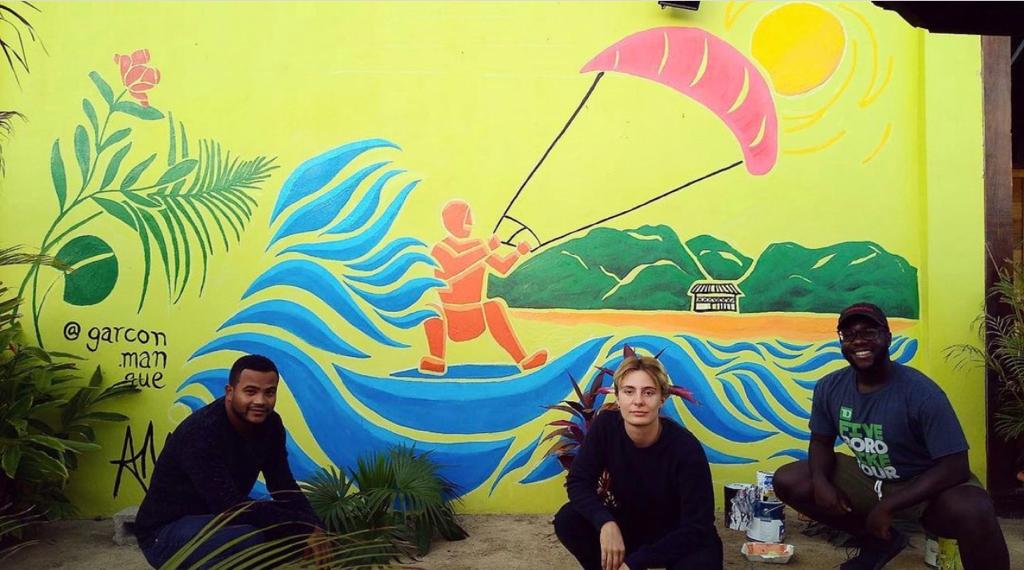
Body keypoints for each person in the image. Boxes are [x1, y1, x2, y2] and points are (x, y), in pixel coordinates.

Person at [773, 303, 1009, 570]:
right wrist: (820, 482)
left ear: (887, 336)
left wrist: (889, 507)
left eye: (869, 332)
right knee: (790, 479)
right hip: (871, 479)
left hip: (924, 486)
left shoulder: (921, 393)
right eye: (849, 334)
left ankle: (886, 521)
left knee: (974, 509)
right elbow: (820, 442)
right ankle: (881, 540)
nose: (859, 340)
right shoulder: (830, 387)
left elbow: (955, 466)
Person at [135, 354, 325, 568]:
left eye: (269, 392)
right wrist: (301, 525)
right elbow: (230, 507)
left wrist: (315, 526)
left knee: (287, 536)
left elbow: (283, 485)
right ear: (230, 392)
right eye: (250, 391)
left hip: (214, 520)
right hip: (163, 534)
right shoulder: (201, 432)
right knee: (247, 537)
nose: (260, 401)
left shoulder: (270, 425)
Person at [553, 354, 723, 570]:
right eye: (629, 391)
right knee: (569, 519)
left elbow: (698, 525)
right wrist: (605, 522)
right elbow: (578, 481)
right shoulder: (605, 427)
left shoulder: (685, 447)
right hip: (630, 525)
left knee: (703, 561)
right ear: (617, 396)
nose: (638, 401)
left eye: (649, 392)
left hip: (677, 534)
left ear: (663, 398)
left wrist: (635, 563)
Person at [419, 199, 547, 374]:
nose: (471, 223)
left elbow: (501, 267)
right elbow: (454, 266)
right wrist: (487, 248)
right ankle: (437, 360)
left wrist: (518, 252)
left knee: (494, 306)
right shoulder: (440, 249)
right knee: (431, 310)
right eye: (466, 218)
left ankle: (523, 360)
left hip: (475, 315)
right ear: (454, 222)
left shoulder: (478, 245)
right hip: (451, 317)